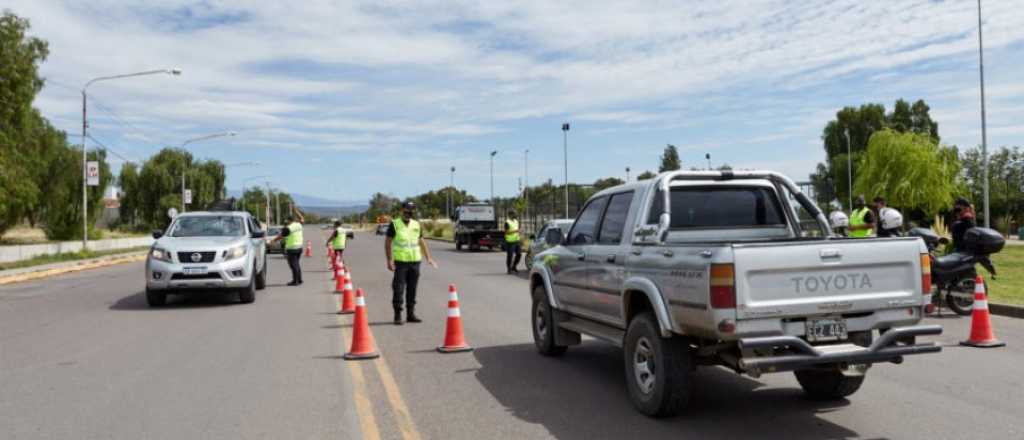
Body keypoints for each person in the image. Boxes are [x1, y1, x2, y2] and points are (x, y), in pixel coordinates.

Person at [385, 202, 438, 325]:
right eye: (407, 210)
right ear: (402, 210)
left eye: (411, 211)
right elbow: (388, 243)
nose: (409, 213)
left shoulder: (416, 224)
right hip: (401, 262)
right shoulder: (394, 224)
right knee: (398, 289)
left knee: (412, 289)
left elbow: (421, 241)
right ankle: (398, 315)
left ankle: (410, 314)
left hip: (415, 262)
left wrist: (428, 258)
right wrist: (389, 260)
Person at [271, 206, 305, 286]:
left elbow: (281, 236)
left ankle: (295, 281)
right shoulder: (298, 225)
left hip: (292, 248)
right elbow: (302, 218)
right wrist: (296, 211)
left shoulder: (288, 228)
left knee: (293, 265)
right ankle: (299, 280)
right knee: (297, 264)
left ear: (288, 221)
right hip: (299, 247)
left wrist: (272, 241)